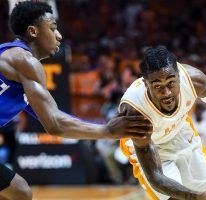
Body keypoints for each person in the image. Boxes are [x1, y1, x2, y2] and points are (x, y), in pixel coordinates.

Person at [0, 2, 152, 200]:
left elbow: (57, 120)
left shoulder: (12, 57)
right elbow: (55, 125)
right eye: (53, 29)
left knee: (18, 192)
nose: (59, 36)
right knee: (18, 193)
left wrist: (105, 127)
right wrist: (108, 131)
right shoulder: (25, 61)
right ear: (33, 31)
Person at [119, 46, 206, 200]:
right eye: (157, 86)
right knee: (174, 198)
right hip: (149, 146)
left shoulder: (194, 80)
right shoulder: (135, 113)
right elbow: (156, 177)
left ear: (179, 77)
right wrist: (195, 197)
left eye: (171, 83)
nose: (166, 92)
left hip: (180, 133)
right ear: (146, 84)